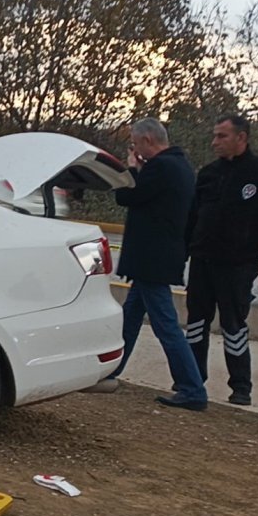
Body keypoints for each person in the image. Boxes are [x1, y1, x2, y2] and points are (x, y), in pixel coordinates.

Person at [106, 118, 208, 410]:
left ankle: (192, 388)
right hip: (159, 257)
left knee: (166, 326)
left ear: (148, 140)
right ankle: (112, 368)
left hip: (151, 260)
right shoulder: (181, 168)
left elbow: (127, 195)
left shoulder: (161, 167)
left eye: (135, 144)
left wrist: (130, 168)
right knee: (131, 318)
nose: (135, 149)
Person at [183, 115, 258, 406]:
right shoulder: (209, 173)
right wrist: (183, 253)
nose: (215, 142)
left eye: (222, 136)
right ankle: (192, 380)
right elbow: (193, 218)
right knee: (197, 322)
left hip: (238, 263)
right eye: (214, 136)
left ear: (242, 137)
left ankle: (241, 386)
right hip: (202, 260)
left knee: (233, 325)